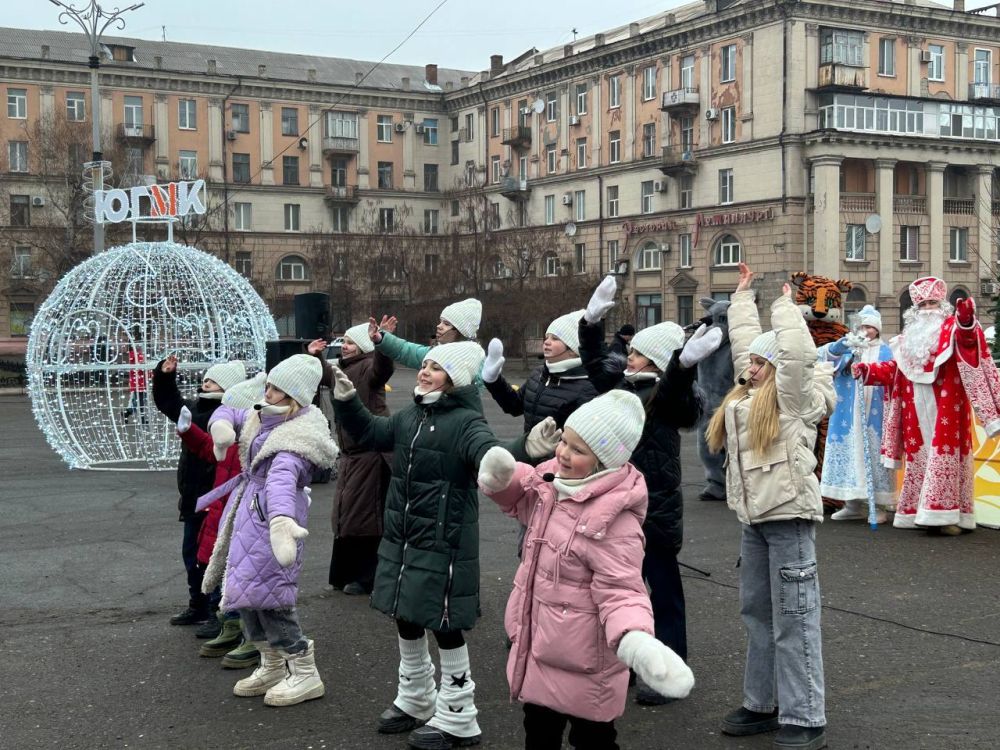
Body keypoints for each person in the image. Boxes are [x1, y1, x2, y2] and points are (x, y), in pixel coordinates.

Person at [327, 341, 559, 749]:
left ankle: (459, 716)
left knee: (445, 623)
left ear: (456, 380)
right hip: (404, 537)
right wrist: (346, 402)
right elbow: (372, 432)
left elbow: (491, 456)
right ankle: (416, 697)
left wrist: (525, 451)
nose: (425, 371)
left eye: (436, 368)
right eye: (426, 365)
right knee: (406, 614)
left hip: (443, 539)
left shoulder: (466, 421)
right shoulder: (412, 414)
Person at [476, 390, 695, 750]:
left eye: (578, 451)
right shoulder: (550, 482)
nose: (562, 453)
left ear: (603, 462)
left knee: (593, 738)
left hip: (587, 663)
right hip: (540, 645)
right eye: (564, 441)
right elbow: (521, 495)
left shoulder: (614, 521)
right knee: (538, 732)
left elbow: (622, 590)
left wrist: (635, 640)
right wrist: (503, 479)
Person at [704, 263, 835, 750]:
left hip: (789, 522)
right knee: (757, 613)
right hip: (753, 521)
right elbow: (746, 346)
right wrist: (741, 300)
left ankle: (805, 715)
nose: (749, 369)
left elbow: (797, 356)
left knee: (795, 620)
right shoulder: (750, 395)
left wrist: (785, 307)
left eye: (761, 365)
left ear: (778, 369)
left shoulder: (795, 398)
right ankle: (762, 702)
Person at [577, 276, 714, 706]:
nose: (627, 356)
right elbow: (596, 363)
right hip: (618, 506)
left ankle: (668, 670)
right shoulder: (622, 386)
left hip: (653, 511)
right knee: (624, 591)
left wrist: (682, 366)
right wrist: (591, 322)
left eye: (635, 353)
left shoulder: (666, 395)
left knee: (663, 591)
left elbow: (674, 394)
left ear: (654, 361)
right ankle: (632, 662)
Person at [200, 354, 339, 707]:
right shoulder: (265, 417)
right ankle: (272, 663)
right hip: (248, 516)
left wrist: (279, 521)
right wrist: (220, 426)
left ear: (295, 398)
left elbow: (280, 482)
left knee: (273, 601)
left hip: (271, 524)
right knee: (247, 599)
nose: (269, 394)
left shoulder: (295, 439)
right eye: (269, 387)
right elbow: (231, 409)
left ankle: (305, 672)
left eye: (278, 390)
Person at [853, 277, 1000, 534]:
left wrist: (966, 321)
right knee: (919, 461)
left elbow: (969, 343)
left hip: (947, 407)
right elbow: (895, 369)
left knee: (944, 458)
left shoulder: (952, 330)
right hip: (914, 413)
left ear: (942, 304)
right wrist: (867, 371)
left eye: (932, 302)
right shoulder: (907, 338)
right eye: (922, 304)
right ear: (914, 309)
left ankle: (947, 518)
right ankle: (918, 513)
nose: (927, 308)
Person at [175, 373, 266, 665]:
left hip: (244, 514)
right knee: (225, 573)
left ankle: (252, 635)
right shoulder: (230, 442)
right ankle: (229, 624)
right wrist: (189, 431)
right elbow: (208, 449)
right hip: (222, 512)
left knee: (241, 575)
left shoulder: (255, 443)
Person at [152, 355, 247, 627]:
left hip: (214, 497)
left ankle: (218, 609)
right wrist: (165, 376)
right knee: (191, 553)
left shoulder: (226, 416)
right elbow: (168, 401)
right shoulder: (193, 407)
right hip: (193, 496)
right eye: (205, 379)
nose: (205, 383)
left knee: (213, 555)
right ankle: (198, 603)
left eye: (212, 380)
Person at [310, 323, 394, 595]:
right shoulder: (342, 369)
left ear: (364, 347)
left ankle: (367, 578)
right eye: (344, 341)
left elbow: (383, 370)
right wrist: (315, 357)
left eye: (350, 342)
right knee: (347, 515)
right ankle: (344, 573)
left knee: (366, 516)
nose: (344, 346)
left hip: (371, 453)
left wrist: (382, 343)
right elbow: (324, 376)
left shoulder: (369, 367)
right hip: (352, 455)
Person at [818, 305, 895, 524]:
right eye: (862, 326)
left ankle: (878, 503)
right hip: (849, 414)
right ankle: (851, 502)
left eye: (870, 327)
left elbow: (891, 373)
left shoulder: (885, 350)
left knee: (873, 454)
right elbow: (826, 362)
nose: (866, 331)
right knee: (851, 452)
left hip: (874, 414)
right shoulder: (851, 348)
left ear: (878, 330)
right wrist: (842, 351)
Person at [482, 309, 599, 432]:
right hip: (526, 450)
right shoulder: (538, 373)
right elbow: (514, 406)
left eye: (555, 339)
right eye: (546, 337)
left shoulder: (588, 388)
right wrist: (494, 381)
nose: (547, 342)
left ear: (573, 349)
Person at [372, 298, 482, 373]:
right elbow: (405, 350)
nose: (439, 326)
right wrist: (382, 337)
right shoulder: (434, 353)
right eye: (441, 321)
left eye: (446, 324)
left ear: (461, 331)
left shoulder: (476, 362)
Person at [692, 297, 732, 502]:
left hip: (731, 404)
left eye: (723, 320)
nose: (716, 325)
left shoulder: (736, 347)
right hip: (706, 403)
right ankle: (716, 482)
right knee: (707, 446)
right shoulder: (704, 345)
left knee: (734, 446)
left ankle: (736, 484)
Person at [123, 345, 149, 425]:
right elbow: (141, 367)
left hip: (139, 383)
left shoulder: (135, 355)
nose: (141, 347)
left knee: (137, 401)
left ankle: (127, 413)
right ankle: (142, 419)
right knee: (140, 402)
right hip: (138, 383)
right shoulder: (136, 355)